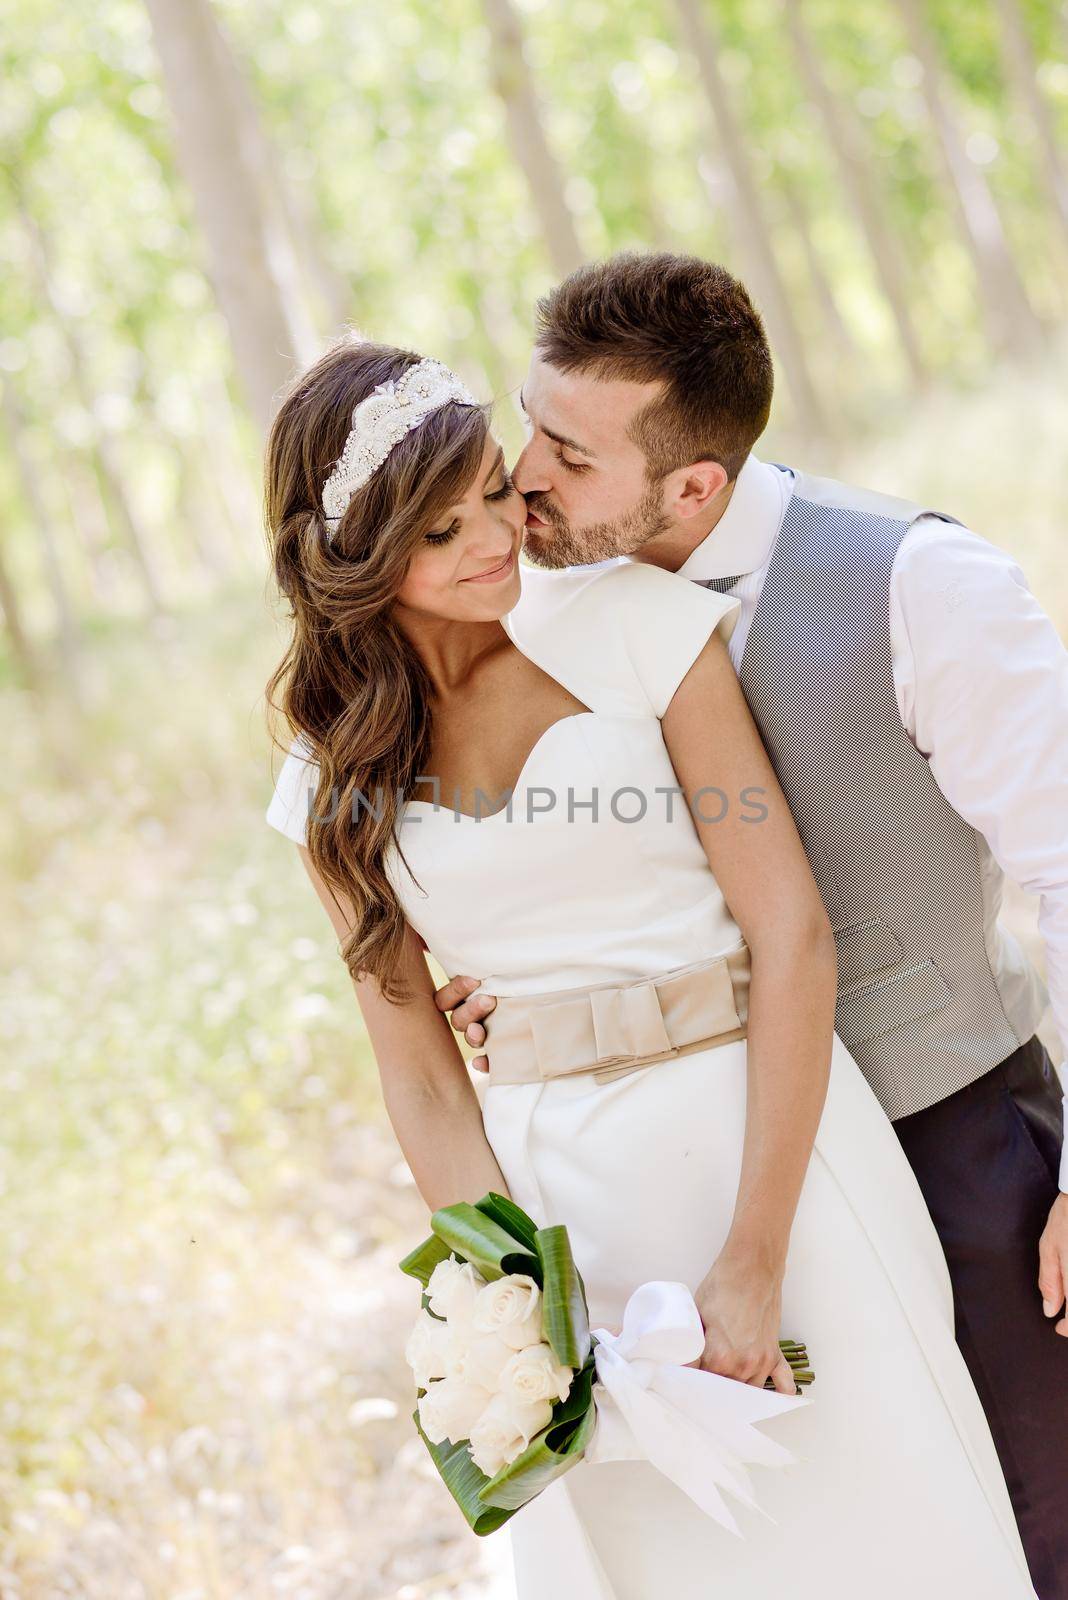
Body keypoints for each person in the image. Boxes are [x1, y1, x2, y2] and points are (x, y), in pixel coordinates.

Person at [264, 333, 1038, 1598]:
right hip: (566, 1203)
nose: (496, 542)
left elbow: (786, 932)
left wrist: (753, 1255)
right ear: (359, 566)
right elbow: (417, 1075)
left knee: (891, 1529)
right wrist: (523, 1306)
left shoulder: (641, 628)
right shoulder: (334, 781)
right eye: (442, 534)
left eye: (493, 496)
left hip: (774, 1152)